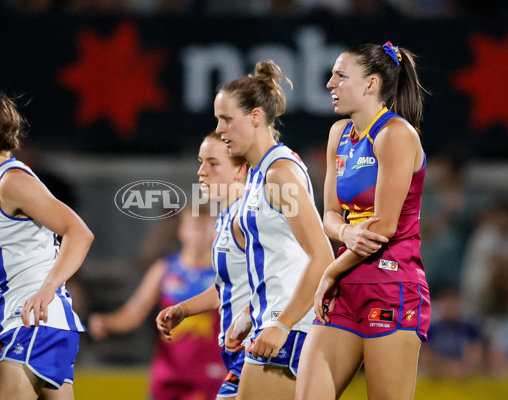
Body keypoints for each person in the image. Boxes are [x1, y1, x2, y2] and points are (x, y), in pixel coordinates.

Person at [300, 42, 431, 399]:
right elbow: (328, 214)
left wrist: (330, 271)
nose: (329, 84)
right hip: (345, 288)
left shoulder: (396, 134)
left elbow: (384, 227)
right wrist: (343, 232)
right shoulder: (338, 134)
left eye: (340, 76)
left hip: (392, 290)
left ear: (371, 84)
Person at [0, 91, 94, 400]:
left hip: (32, 325)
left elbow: (79, 232)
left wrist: (48, 288)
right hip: (35, 325)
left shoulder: (12, 181)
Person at [211, 59, 334, 400]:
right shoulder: (258, 174)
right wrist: (252, 314)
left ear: (254, 117)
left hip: (290, 329)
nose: (220, 129)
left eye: (226, 119)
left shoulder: (280, 173)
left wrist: (282, 323)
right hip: (274, 323)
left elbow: (322, 255)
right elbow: (285, 257)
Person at [89, 206, 225, 400]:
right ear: (182, 230)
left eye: (205, 227)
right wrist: (108, 322)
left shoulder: (223, 274)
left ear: (215, 231)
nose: (199, 234)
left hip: (208, 376)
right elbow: (135, 311)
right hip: (167, 375)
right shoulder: (164, 270)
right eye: (194, 227)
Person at [156, 131, 249, 399]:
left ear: (239, 170)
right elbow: (228, 288)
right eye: (200, 162)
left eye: (213, 163)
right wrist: (183, 309)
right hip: (237, 352)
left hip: (263, 348)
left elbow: (284, 279)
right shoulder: (225, 220)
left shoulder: (254, 217)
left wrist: (252, 320)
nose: (201, 172)